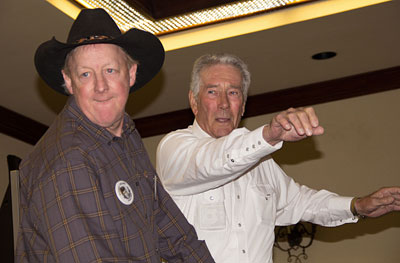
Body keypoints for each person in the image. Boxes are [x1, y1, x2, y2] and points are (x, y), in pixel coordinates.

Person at [156, 53, 400, 263]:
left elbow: (303, 203)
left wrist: (357, 206)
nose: (223, 104)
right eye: (212, 91)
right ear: (193, 101)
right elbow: (213, 162)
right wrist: (269, 135)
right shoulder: (174, 149)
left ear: (242, 105)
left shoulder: (262, 165)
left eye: (233, 93)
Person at [16, 8, 214, 263]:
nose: (100, 86)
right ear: (69, 81)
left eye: (110, 70)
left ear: (131, 73)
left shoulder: (126, 136)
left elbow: (173, 232)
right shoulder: (68, 160)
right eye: (85, 74)